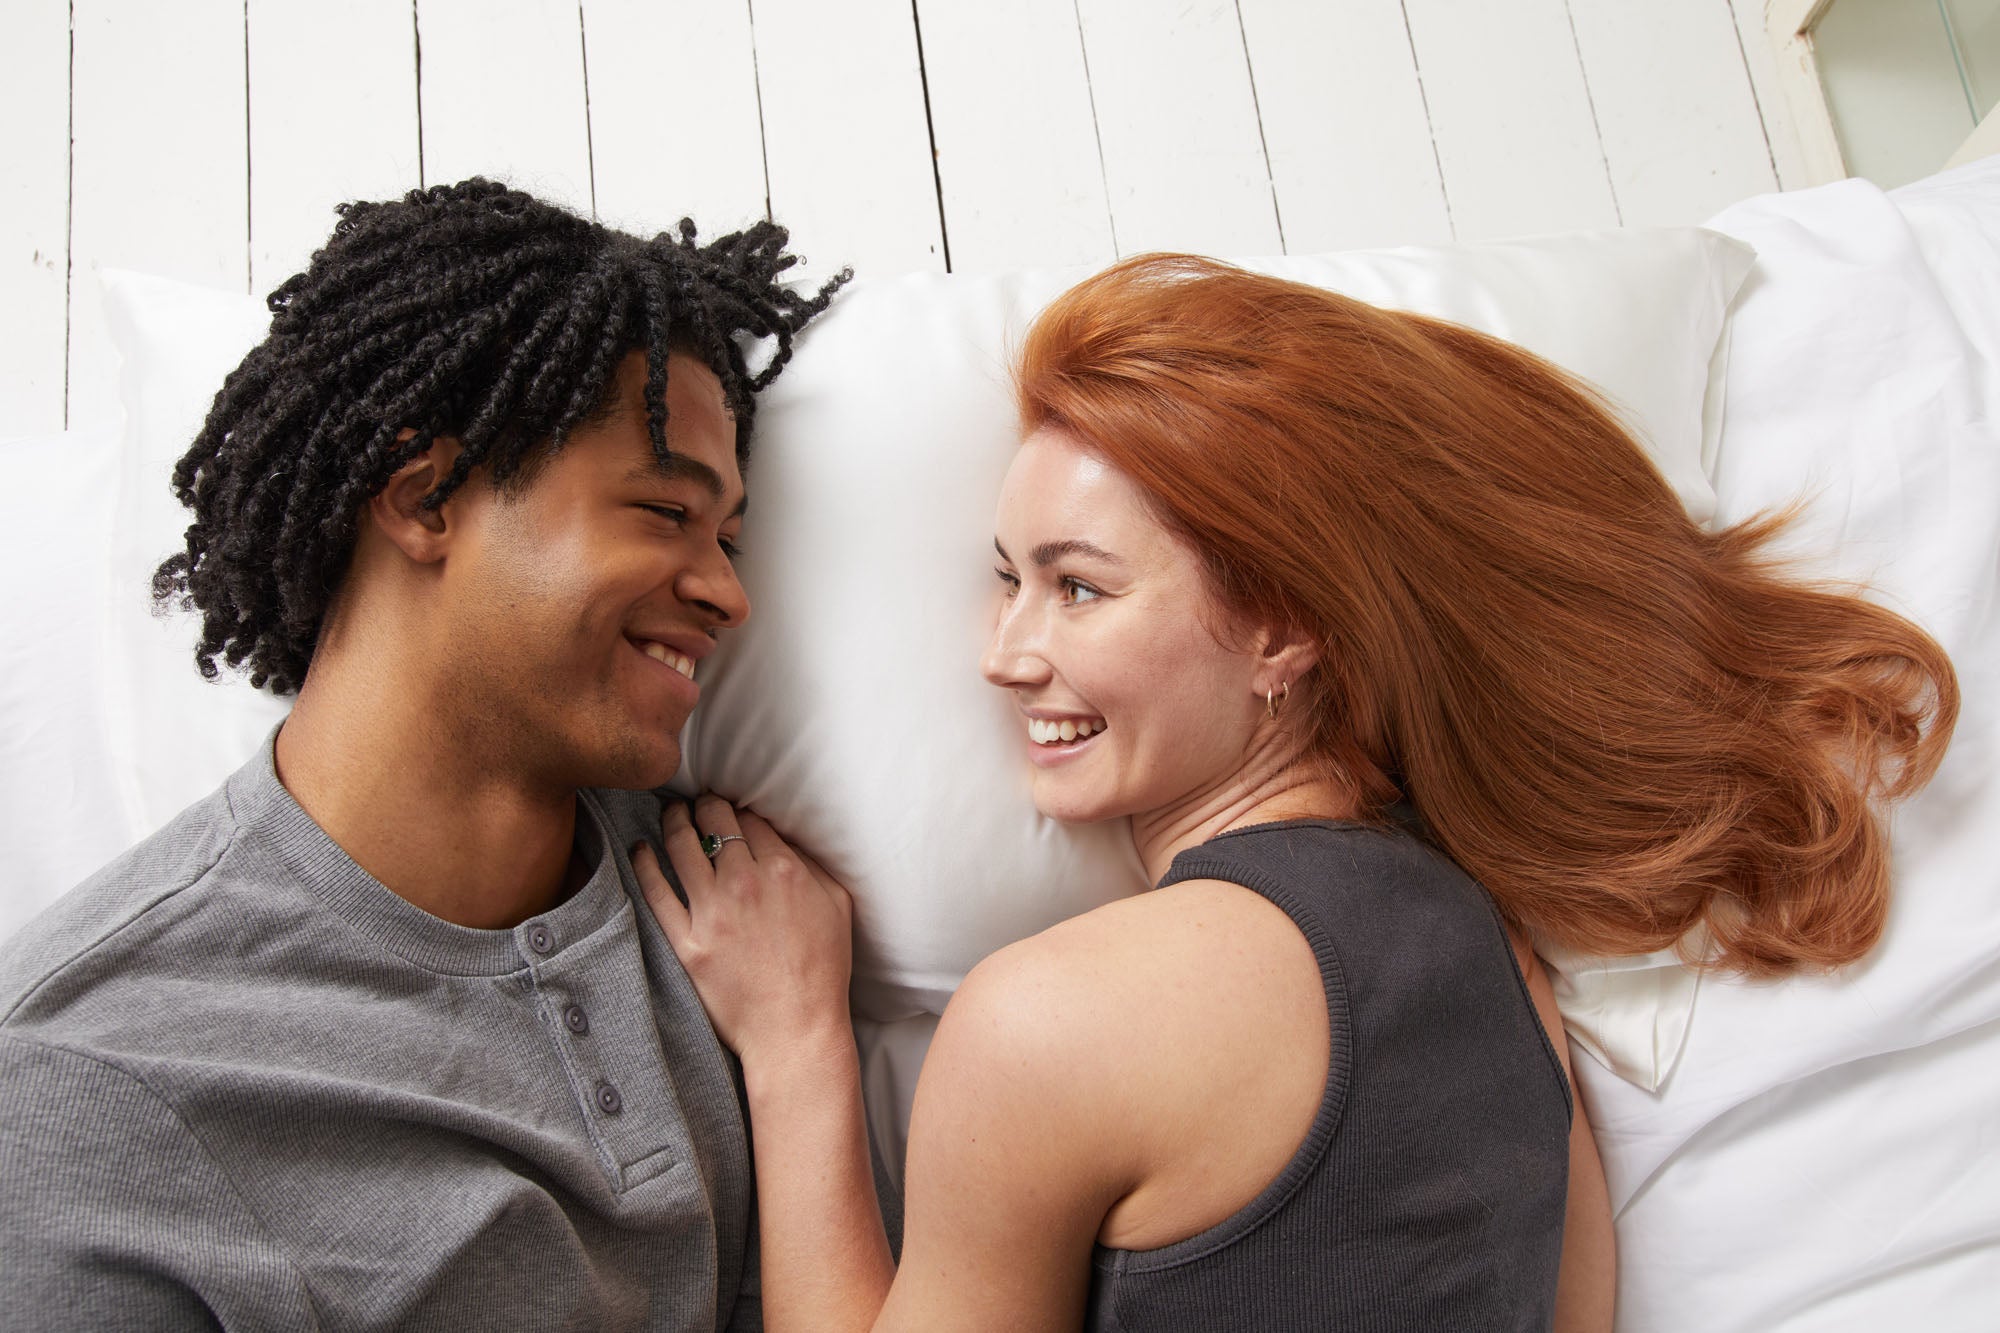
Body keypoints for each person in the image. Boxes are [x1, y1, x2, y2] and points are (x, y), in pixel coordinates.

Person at [639, 255, 1960, 1330]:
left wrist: (799, 1043)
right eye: (1006, 576)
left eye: (1079, 584)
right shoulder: (1506, 963)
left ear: (1283, 626)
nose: (1003, 652)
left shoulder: (1049, 1023)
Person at [0, 178, 845, 1329]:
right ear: (424, 497)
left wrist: (800, 1050)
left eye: (731, 537)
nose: (728, 593)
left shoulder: (731, 916)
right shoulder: (82, 1085)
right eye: (662, 512)